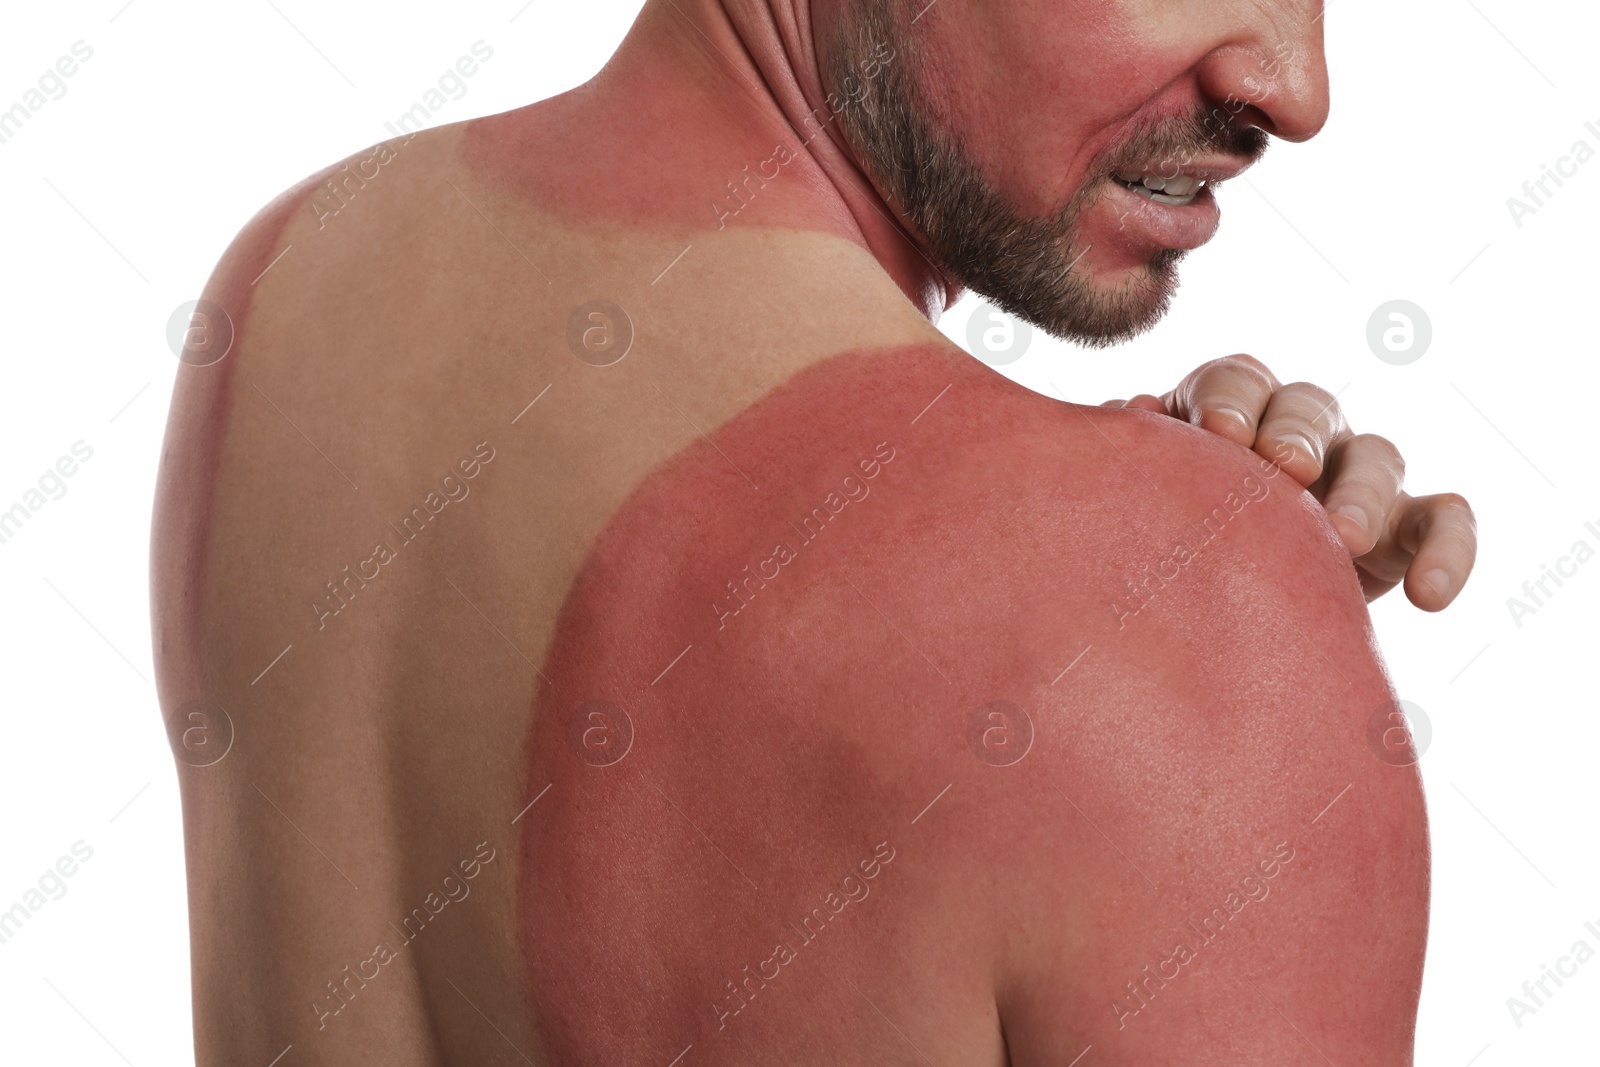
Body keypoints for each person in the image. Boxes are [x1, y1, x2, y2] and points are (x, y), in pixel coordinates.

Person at [151, 0, 1477, 1063]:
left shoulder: (297, 283)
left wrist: (1156, 563)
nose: (1296, 90)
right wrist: (1208, 626)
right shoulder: (1171, 617)